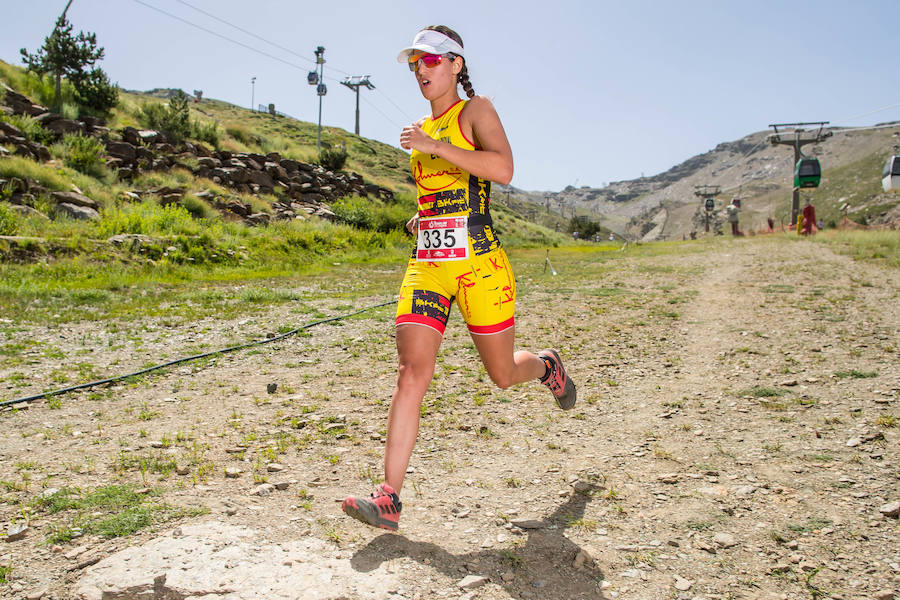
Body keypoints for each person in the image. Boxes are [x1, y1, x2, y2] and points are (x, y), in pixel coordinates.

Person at [341, 25, 576, 532]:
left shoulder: (475, 111)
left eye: (430, 60)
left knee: (502, 374)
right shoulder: (420, 129)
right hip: (428, 264)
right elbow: (445, 190)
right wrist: (424, 216)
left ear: (455, 64)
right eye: (415, 63)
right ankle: (389, 497)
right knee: (411, 372)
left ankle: (546, 366)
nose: (420, 70)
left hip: (479, 264)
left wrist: (434, 145)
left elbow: (502, 169)